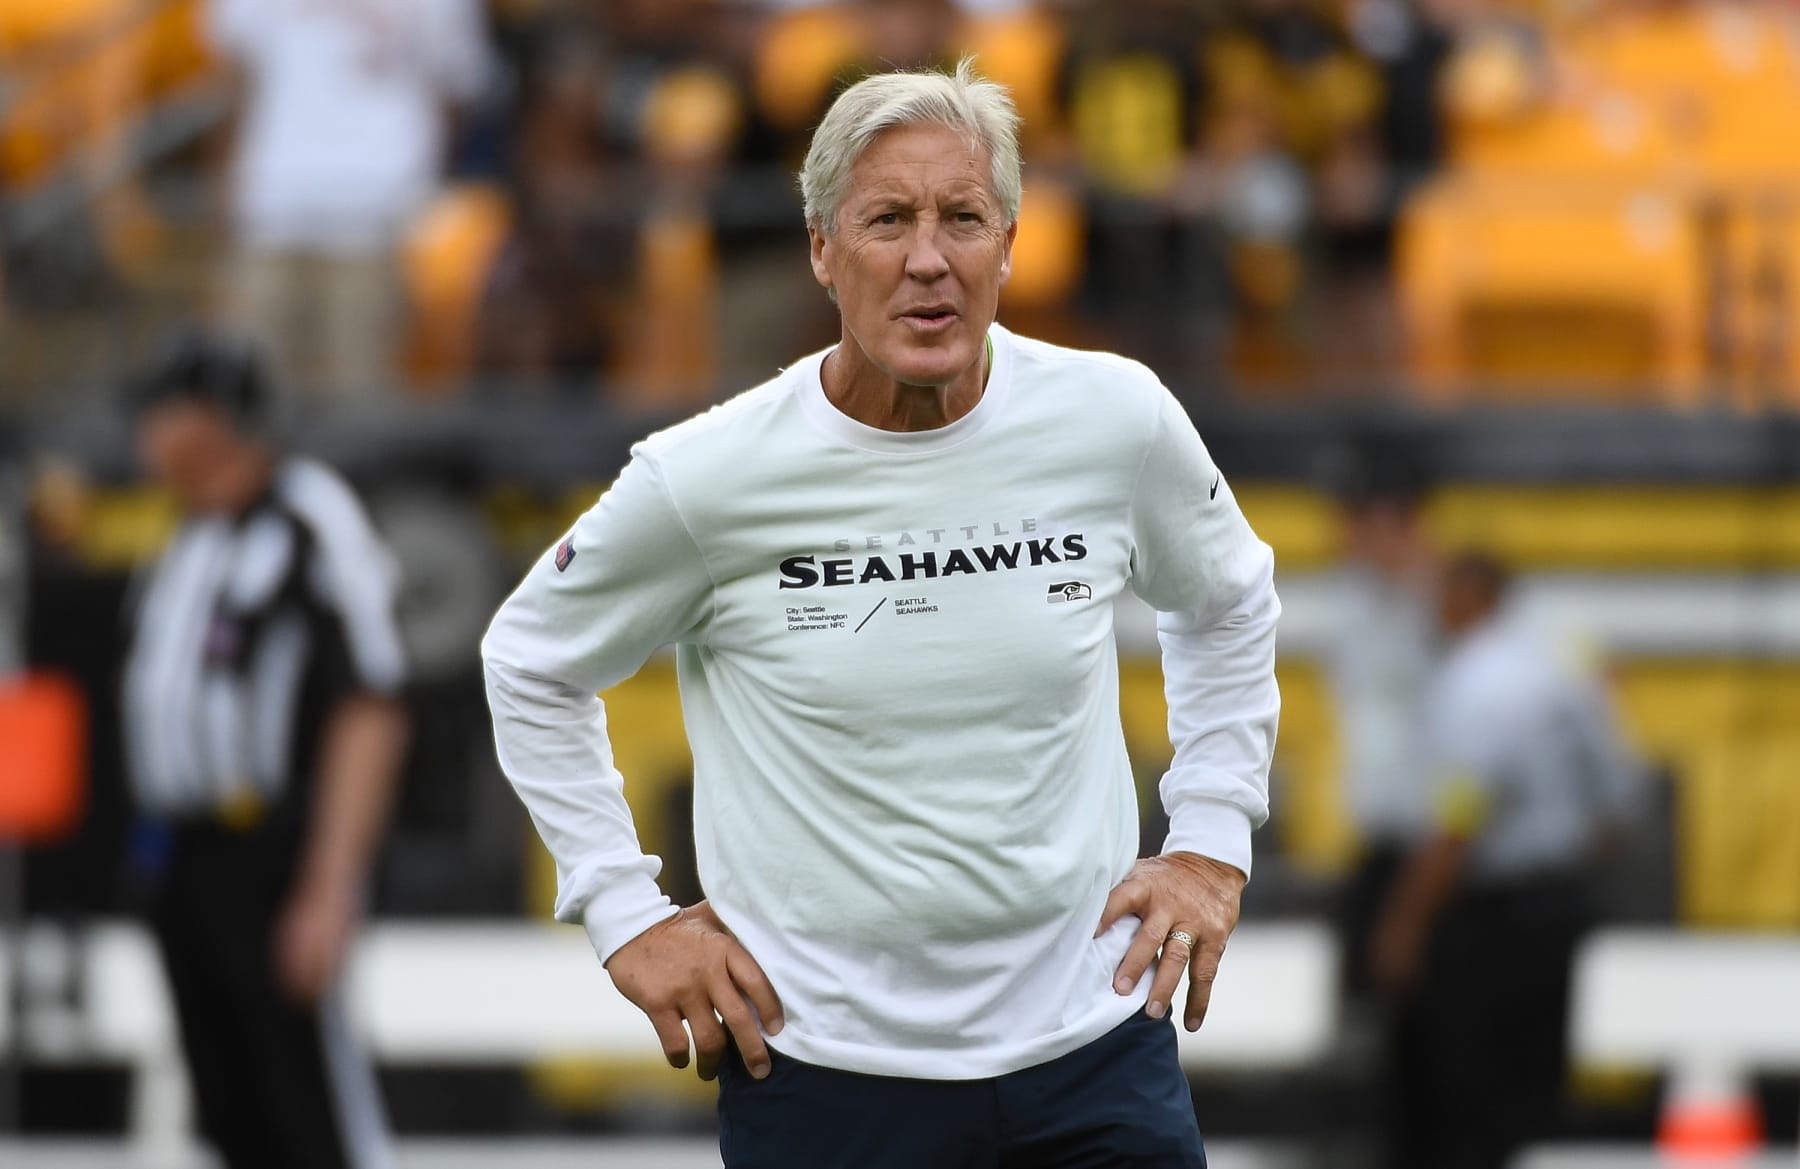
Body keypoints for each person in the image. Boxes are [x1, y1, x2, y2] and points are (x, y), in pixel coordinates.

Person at [483, 61, 1282, 1168]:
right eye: (888, 220)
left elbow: (1228, 600)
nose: (928, 258)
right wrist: (624, 913)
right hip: (825, 1078)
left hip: (1095, 1055)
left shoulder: (1117, 419)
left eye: (963, 218)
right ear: (822, 249)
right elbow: (530, 660)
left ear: (1010, 243)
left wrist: (1209, 844)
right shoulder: (707, 477)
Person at [120, 332, 410, 1169]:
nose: (143, 435)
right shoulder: (188, 533)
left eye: (160, 413)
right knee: (229, 1108)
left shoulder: (307, 516)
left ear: (209, 419)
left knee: (306, 1109)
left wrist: (329, 883)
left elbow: (370, 702)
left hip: (273, 853)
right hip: (186, 855)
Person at [1369, 550, 1642, 1169]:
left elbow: (1459, 819)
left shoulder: (1480, 682)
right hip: (1557, 899)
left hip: (1495, 917)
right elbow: (1616, 801)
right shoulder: (1559, 664)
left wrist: (1404, 923)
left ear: (1469, 597)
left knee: (1468, 1095)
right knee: (1533, 1091)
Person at [206, 0, 491, 396]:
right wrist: (228, 178)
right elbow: (236, 76)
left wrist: (417, 178)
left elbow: (458, 85)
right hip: (272, 205)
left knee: (361, 396)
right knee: (250, 389)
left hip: (379, 213)